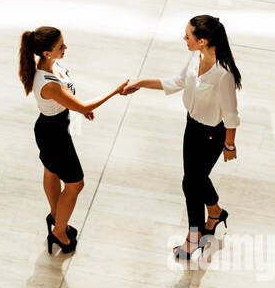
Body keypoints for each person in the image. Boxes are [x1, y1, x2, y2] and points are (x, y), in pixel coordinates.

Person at [124, 16, 241, 261]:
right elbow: (177, 82)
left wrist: (229, 145)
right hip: (192, 127)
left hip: (212, 135)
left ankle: (194, 236)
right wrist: (142, 83)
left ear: (202, 41)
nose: (184, 39)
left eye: (188, 36)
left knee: (191, 183)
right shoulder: (195, 57)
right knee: (196, 180)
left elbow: (231, 115)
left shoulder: (223, 74)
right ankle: (216, 212)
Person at [19, 27, 129, 254]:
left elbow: (69, 98)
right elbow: (85, 104)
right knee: (75, 184)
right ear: (47, 53)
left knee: (51, 171)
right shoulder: (47, 83)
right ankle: (59, 232)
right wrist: (115, 91)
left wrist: (75, 108)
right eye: (61, 46)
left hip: (53, 126)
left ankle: (56, 217)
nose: (65, 48)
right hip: (54, 134)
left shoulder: (50, 65)